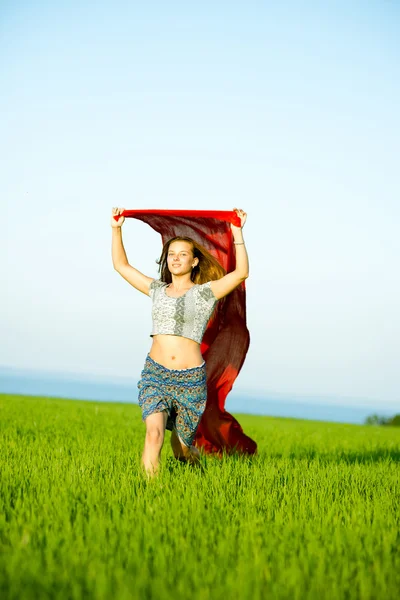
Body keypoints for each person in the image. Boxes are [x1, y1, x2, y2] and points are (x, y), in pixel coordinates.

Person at [111, 207, 249, 475]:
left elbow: (240, 273)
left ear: (194, 261)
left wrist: (237, 232)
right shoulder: (156, 290)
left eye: (182, 254)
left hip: (189, 381)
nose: (175, 259)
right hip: (156, 375)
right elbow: (121, 266)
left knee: (182, 450)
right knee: (153, 436)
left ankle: (198, 472)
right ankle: (148, 501)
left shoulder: (205, 293)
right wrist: (116, 229)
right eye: (171, 255)